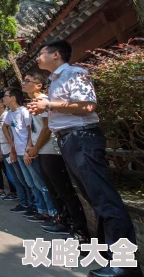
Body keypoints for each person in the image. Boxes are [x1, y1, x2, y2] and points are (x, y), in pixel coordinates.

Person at [28, 39, 141, 277]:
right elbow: (65, 108)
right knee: (94, 198)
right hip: (70, 140)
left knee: (104, 198)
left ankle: (126, 264)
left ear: (56, 55)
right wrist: (47, 108)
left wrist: (50, 103)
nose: (37, 58)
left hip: (82, 139)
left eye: (41, 53)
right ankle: (105, 253)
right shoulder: (55, 81)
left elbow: (88, 106)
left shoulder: (75, 73)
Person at [23, 71, 88, 237]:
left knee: (63, 189)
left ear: (38, 85)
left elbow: (47, 128)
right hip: (40, 150)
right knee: (53, 189)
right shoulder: (33, 103)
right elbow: (34, 129)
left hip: (50, 150)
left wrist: (36, 147)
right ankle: (62, 219)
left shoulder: (43, 101)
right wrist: (30, 146)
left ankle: (79, 227)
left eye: (27, 80)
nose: (24, 83)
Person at [3, 88, 56, 222]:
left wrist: (29, 148)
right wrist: (12, 145)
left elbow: (30, 132)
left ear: (13, 98)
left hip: (29, 153)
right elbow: (5, 127)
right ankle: (40, 209)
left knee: (40, 184)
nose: (4, 99)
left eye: (6, 96)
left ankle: (52, 212)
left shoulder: (25, 112)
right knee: (29, 183)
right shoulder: (10, 113)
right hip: (20, 152)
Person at [0, 95, 22, 205]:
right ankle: (22, 200)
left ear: (1, 104)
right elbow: (0, 135)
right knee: (12, 175)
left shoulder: (7, 116)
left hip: (12, 149)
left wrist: (12, 149)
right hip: (4, 149)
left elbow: (12, 133)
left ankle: (26, 200)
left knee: (19, 176)